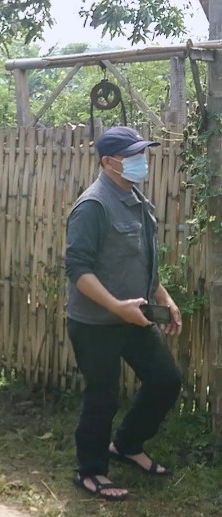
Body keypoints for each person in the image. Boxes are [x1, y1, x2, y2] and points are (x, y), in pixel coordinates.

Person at [64, 126, 182, 501]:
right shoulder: (93, 205)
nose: (140, 161)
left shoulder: (136, 199)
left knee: (165, 379)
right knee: (102, 396)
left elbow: (143, 260)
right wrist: (116, 307)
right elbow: (77, 270)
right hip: (96, 322)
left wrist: (164, 296)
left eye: (140, 154)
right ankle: (90, 472)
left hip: (137, 314)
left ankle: (128, 444)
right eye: (133, 156)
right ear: (109, 163)